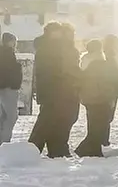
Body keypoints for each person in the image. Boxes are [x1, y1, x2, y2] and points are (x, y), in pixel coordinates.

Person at [29, 22, 81, 157]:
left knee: (59, 120)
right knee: (47, 122)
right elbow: (53, 70)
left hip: (60, 91)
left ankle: (56, 149)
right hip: (54, 91)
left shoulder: (57, 47)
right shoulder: (48, 48)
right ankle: (33, 150)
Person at [0, 32, 20, 144]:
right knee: (11, 116)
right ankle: (4, 141)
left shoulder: (6, 53)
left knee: (3, 116)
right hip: (8, 87)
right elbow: (9, 71)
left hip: (5, 87)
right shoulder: (7, 53)